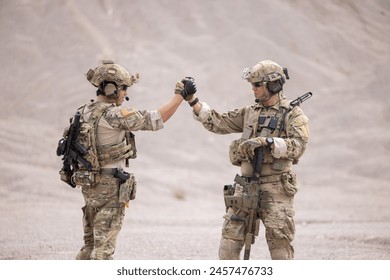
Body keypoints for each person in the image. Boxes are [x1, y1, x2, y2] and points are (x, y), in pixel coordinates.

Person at [58, 60, 196, 260]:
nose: (125, 93)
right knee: (103, 252)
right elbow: (156, 119)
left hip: (90, 186)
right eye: (123, 88)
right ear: (111, 88)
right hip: (109, 189)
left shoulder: (83, 112)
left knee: (90, 247)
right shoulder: (114, 114)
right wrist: (179, 96)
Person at [186, 60, 309, 259]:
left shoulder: (293, 115)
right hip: (246, 187)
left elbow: (298, 147)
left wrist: (269, 142)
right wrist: (193, 101)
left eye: (257, 84)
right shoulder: (250, 113)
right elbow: (219, 122)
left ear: (274, 84)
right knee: (228, 246)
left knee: (280, 248)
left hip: (276, 188)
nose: (253, 89)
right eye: (252, 84)